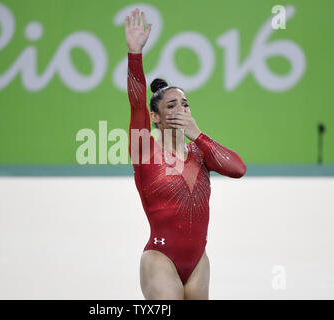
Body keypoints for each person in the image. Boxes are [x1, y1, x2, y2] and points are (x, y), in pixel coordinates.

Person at [125, 8, 247, 299]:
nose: (181, 109)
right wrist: (135, 55)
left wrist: (199, 135)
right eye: (171, 106)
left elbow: (238, 169)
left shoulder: (200, 151)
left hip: (198, 263)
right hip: (160, 259)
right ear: (156, 117)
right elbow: (137, 102)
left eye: (185, 104)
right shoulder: (145, 150)